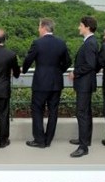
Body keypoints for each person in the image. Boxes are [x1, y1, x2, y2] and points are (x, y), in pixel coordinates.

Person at [22, 18, 71, 148]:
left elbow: (28, 59)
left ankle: (39, 140)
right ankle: (48, 140)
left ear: (44, 27)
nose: (38, 30)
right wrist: (59, 71)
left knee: (37, 110)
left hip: (40, 83)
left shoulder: (37, 43)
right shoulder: (61, 43)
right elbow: (68, 62)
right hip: (56, 83)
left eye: (39, 27)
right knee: (53, 111)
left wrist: (24, 70)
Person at [67, 16, 99, 158]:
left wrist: (75, 72)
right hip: (86, 83)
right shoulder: (91, 42)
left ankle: (83, 147)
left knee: (82, 113)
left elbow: (90, 65)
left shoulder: (90, 43)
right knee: (86, 113)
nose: (78, 28)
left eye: (80, 25)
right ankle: (85, 140)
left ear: (87, 27)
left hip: (84, 84)